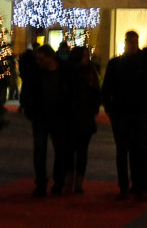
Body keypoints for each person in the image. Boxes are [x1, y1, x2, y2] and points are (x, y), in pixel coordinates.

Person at [100, 29, 147, 200]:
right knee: (124, 151)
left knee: (138, 151)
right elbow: (106, 89)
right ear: (126, 42)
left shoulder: (143, 64)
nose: (133, 45)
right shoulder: (117, 64)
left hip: (139, 114)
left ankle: (138, 185)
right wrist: (111, 109)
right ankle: (125, 186)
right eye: (131, 41)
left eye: (135, 41)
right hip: (122, 115)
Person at [17, 42, 68, 196]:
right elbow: (26, 91)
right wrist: (28, 108)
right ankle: (41, 183)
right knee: (39, 151)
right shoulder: (36, 73)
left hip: (59, 117)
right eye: (37, 59)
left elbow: (71, 93)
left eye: (41, 59)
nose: (38, 62)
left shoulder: (64, 72)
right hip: (40, 117)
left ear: (50, 57)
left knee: (60, 151)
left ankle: (58, 183)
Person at [63, 44, 101, 194]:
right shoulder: (70, 73)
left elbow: (96, 93)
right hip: (71, 117)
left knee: (82, 151)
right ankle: (70, 179)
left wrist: (94, 107)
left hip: (85, 117)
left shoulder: (91, 72)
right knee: (69, 151)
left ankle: (78, 181)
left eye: (87, 55)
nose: (87, 58)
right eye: (84, 55)